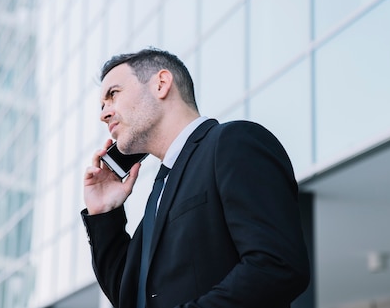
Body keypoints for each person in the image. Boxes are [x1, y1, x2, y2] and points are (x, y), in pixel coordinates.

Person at [81, 48, 310, 308]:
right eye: (102, 105)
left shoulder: (233, 142)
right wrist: (103, 215)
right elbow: (130, 297)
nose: (104, 114)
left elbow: (276, 266)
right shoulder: (159, 195)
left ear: (161, 84)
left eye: (113, 95)